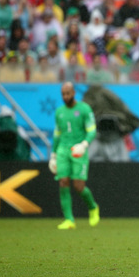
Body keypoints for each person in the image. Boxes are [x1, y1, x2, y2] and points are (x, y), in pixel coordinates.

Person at [48, 82, 100, 230]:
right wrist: (53, 154)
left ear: (74, 93)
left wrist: (84, 144)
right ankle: (69, 220)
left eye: (68, 93)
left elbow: (92, 130)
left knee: (78, 186)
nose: (65, 97)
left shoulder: (84, 109)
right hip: (63, 150)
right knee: (63, 182)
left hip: (78, 149)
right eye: (63, 94)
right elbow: (57, 134)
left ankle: (93, 206)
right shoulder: (59, 112)